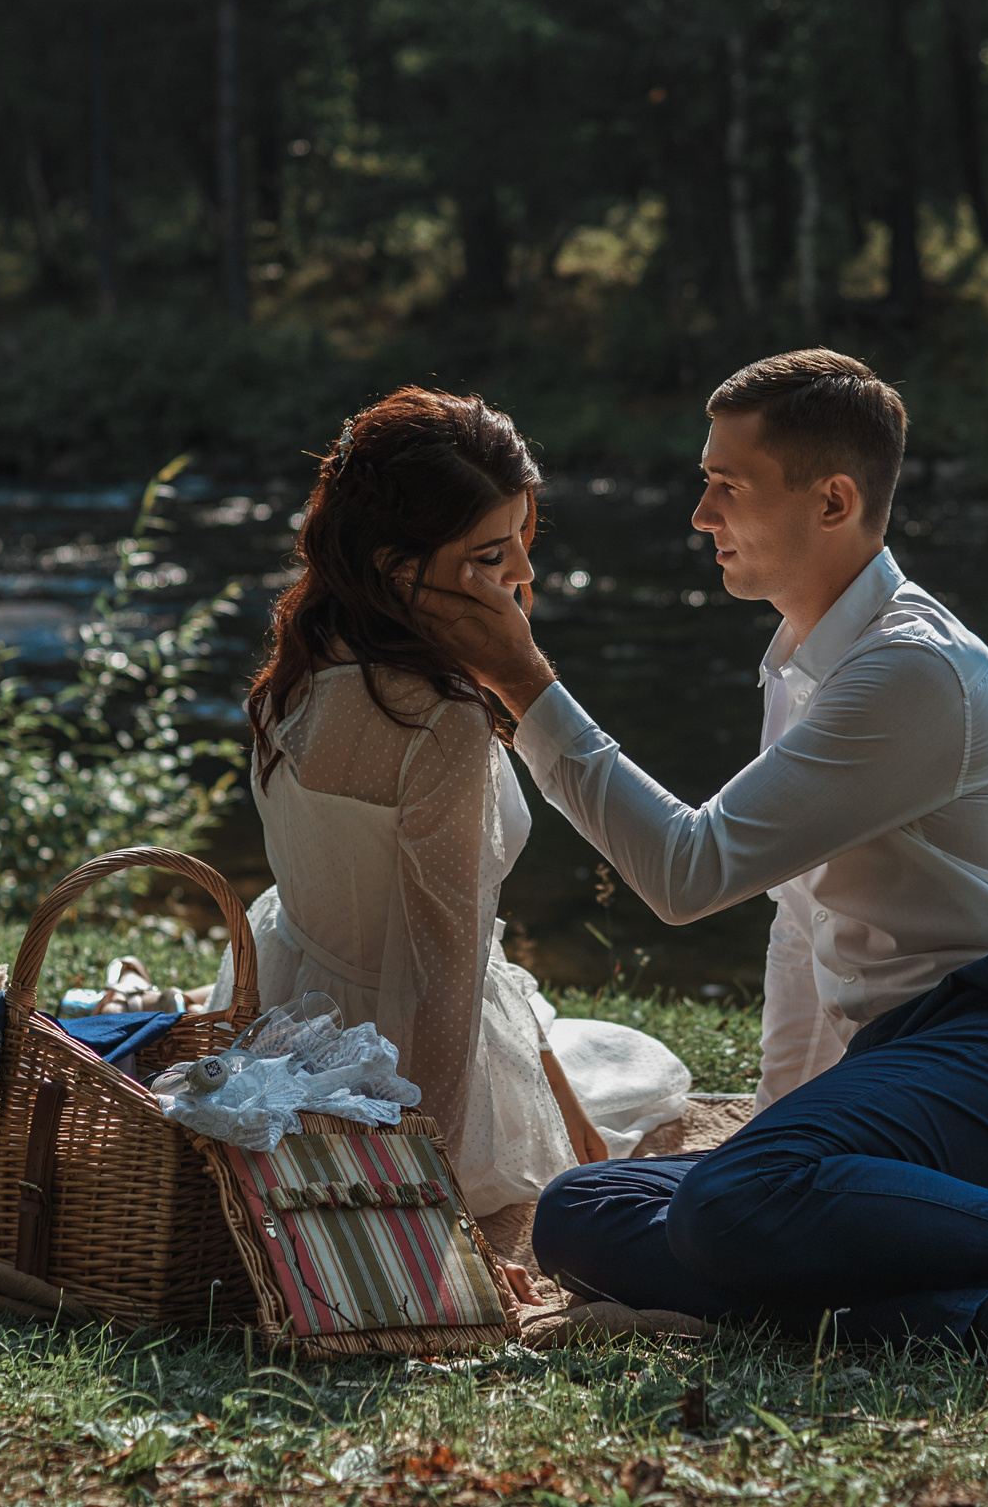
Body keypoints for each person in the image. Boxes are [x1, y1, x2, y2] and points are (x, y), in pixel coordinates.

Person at [422, 349, 988, 1370]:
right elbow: (802, 927)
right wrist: (777, 1138)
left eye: (727, 485)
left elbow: (688, 872)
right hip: (910, 1069)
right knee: (581, 1213)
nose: (700, 514)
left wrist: (524, 682)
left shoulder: (910, 669)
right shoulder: (803, 664)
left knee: (730, 1204)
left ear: (832, 500)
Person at [214, 386, 690, 1217]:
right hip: (402, 1066)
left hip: (292, 1008)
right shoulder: (442, 721)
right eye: (494, 554)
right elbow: (444, 981)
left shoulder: (298, 661)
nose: (526, 575)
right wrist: (427, 1176)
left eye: (524, 542)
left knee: (606, 1071)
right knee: (641, 1077)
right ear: (398, 569)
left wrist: (553, 1083)